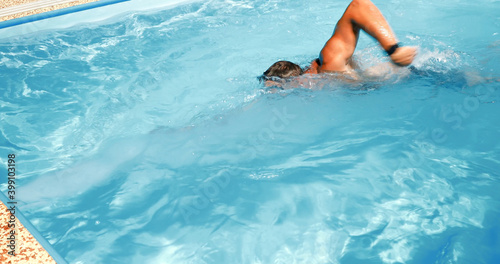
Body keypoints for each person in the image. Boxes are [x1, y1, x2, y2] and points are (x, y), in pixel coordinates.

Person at [261, 0, 417, 84]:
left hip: (418, 77)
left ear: (297, 80)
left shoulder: (329, 62)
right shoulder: (324, 78)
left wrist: (393, 50)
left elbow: (358, 5)